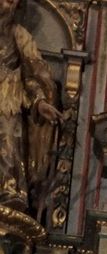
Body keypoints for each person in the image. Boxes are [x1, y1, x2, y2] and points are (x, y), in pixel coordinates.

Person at [0, 0, 59, 213]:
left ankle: (9, 190)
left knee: (7, 144)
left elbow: (33, 75)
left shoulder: (19, 34)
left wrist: (40, 101)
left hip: (7, 99)